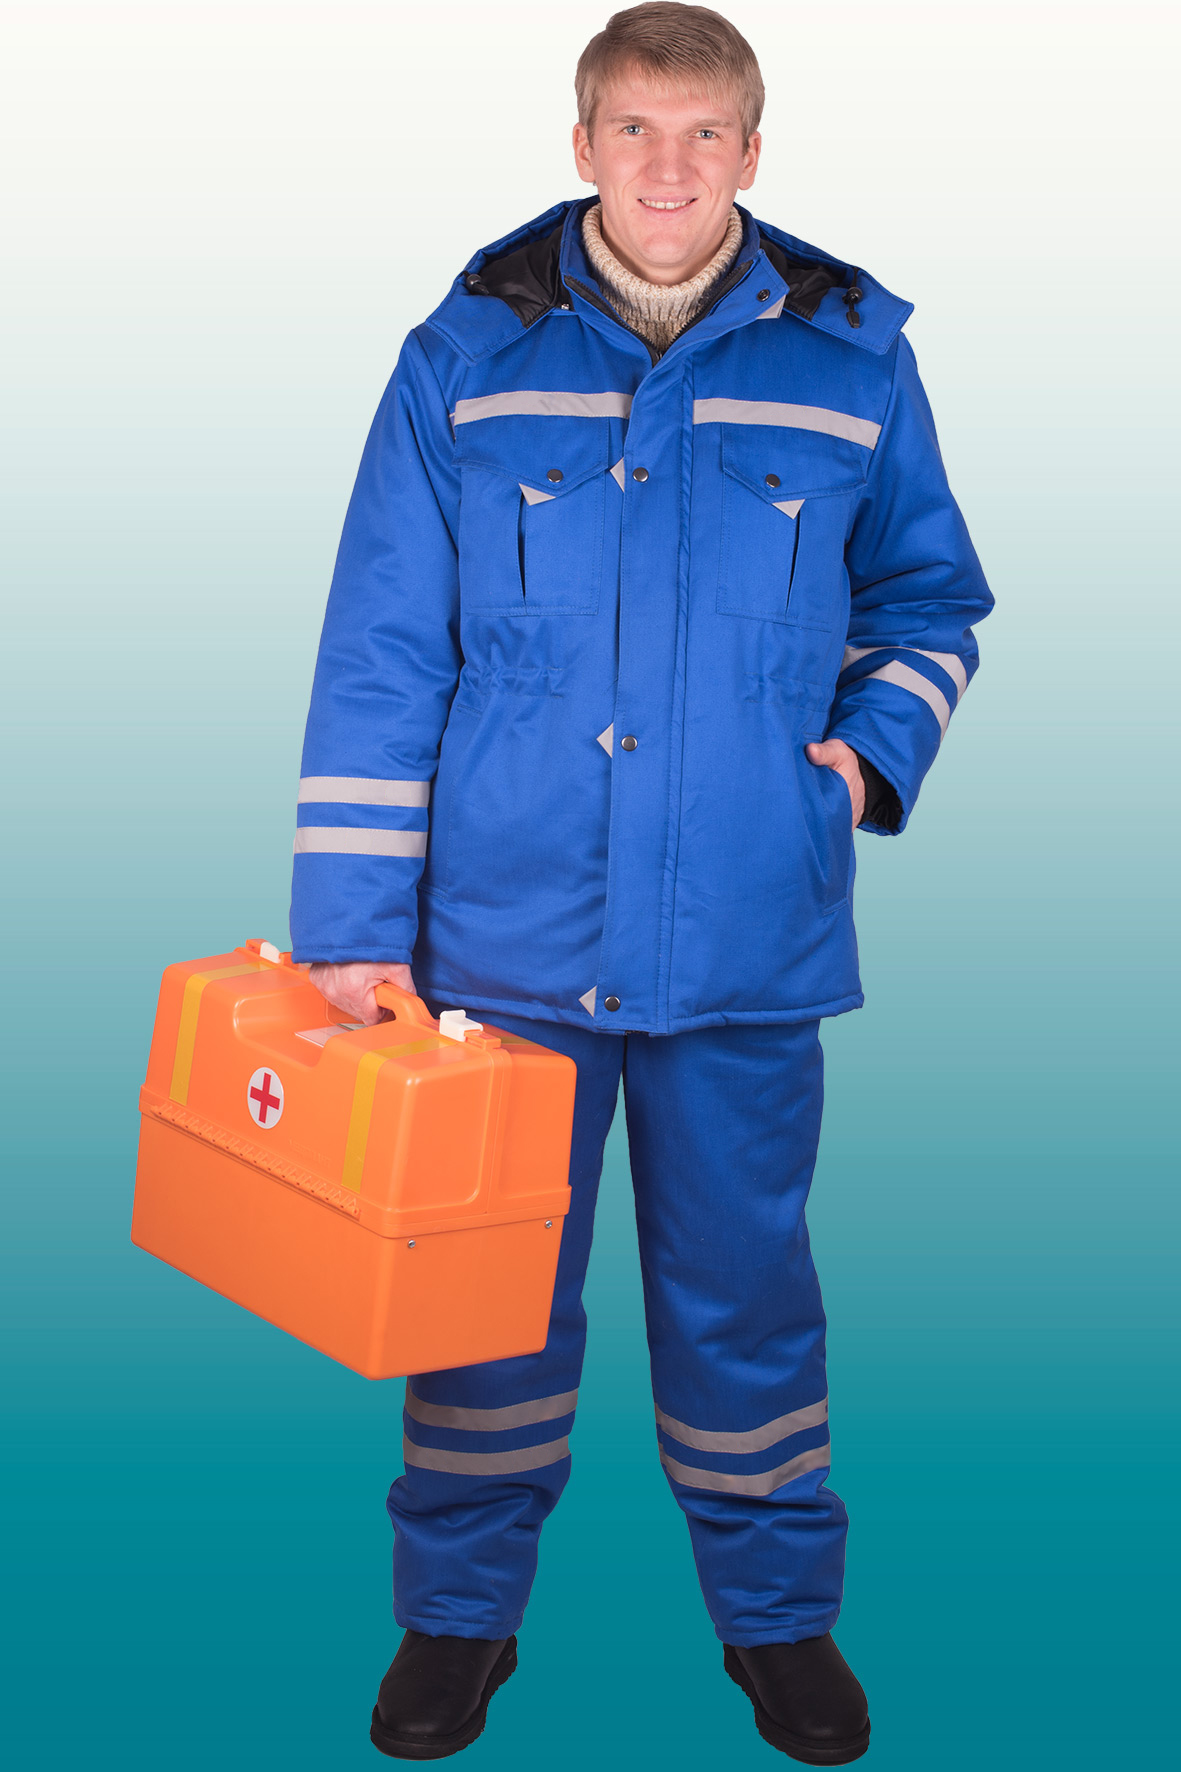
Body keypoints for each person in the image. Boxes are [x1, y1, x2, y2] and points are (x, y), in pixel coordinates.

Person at [289, 4, 992, 1761]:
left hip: (746, 928)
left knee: (744, 1295)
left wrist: (861, 760)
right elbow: (383, 649)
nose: (665, 167)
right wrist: (351, 934)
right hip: (497, 948)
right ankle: (457, 1619)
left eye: (701, 134)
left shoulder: (849, 360)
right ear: (581, 143)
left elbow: (929, 602)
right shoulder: (465, 355)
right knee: (482, 1311)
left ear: (751, 150)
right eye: (631, 129)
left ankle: (777, 1623)